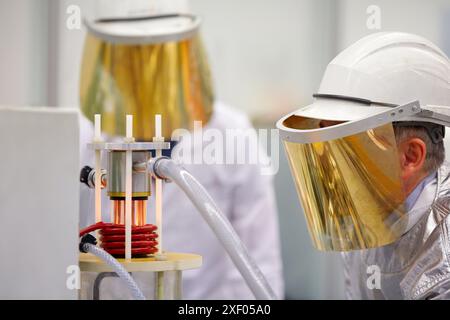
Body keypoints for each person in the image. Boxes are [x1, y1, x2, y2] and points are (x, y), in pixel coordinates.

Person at [78, 0, 283, 299]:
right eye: (133, 57)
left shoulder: (231, 133)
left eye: (159, 56)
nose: (147, 72)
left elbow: (259, 264)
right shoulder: (85, 135)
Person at [277, 32, 450, 299]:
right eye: (327, 148)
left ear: (410, 156)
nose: (332, 172)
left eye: (347, 152)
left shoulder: (444, 263)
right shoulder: (371, 218)